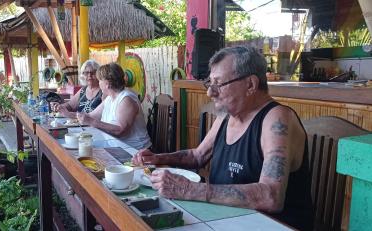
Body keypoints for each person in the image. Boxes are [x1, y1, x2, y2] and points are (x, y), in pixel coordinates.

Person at [132, 46, 314, 230]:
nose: (210, 92)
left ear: (250, 84)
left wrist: (190, 190)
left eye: (218, 84)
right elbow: (197, 156)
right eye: (209, 83)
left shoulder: (276, 119)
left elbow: (271, 196)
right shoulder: (227, 115)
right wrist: (157, 158)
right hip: (225, 219)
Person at [77, 63, 151, 150]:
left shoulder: (126, 100)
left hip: (135, 151)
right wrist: (66, 113)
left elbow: (120, 130)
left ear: (107, 84)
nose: (99, 82)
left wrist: (92, 122)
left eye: (100, 80)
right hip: (116, 147)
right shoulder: (110, 98)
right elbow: (90, 116)